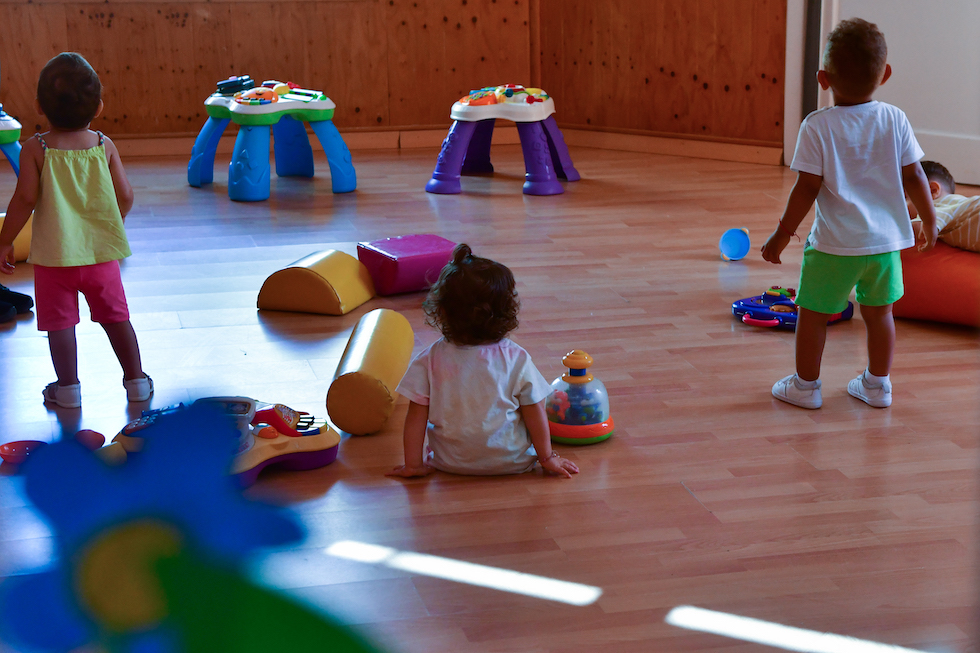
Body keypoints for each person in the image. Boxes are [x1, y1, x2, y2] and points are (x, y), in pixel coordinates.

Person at [761, 18, 937, 410]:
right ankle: (877, 386)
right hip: (885, 246)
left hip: (833, 248)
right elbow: (915, 175)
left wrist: (781, 234)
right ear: (885, 74)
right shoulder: (895, 118)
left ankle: (805, 388)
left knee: (813, 316)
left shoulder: (817, 126)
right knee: (880, 315)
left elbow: (806, 189)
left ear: (823, 78)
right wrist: (929, 218)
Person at [0, 52, 151, 409]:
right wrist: (118, 222)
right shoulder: (103, 145)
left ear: (38, 105)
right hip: (100, 255)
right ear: (98, 107)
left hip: (54, 258)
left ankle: (67, 388)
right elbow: (125, 195)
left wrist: (5, 240)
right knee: (116, 318)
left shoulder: (35, 149)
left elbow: (23, 199)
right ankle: (136, 382)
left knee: (60, 324)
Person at [386, 244, 579, 479]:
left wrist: (413, 465)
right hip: (512, 461)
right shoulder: (516, 357)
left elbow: (416, 417)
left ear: (443, 312)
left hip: (450, 462)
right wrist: (547, 458)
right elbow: (534, 410)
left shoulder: (430, 359)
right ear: (507, 312)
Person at [909, 161, 980, 253]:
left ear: (932, 191)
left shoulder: (938, 204)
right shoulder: (957, 208)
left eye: (905, 198)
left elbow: (915, 229)